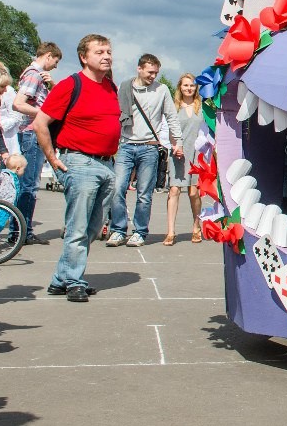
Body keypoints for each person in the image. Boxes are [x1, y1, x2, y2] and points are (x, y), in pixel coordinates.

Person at [32, 34, 120, 303]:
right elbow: (40, 123)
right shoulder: (71, 85)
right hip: (79, 161)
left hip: (106, 163)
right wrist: (51, 157)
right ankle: (73, 280)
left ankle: (60, 279)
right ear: (84, 56)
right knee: (78, 227)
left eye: (108, 51)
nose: (106, 56)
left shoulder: (110, 87)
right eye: (99, 52)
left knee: (94, 228)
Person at [107, 54, 181, 248]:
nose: (153, 76)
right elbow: (113, 114)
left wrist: (177, 141)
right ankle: (118, 229)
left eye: (156, 73)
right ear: (139, 69)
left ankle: (140, 231)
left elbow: (171, 117)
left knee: (144, 194)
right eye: (150, 72)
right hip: (126, 144)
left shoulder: (162, 89)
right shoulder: (125, 87)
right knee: (117, 188)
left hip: (149, 146)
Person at [10, 42, 63, 245]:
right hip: (32, 132)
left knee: (29, 184)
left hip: (33, 132)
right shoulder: (34, 74)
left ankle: (22, 229)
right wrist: (43, 114)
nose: (55, 66)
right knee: (29, 185)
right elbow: (18, 103)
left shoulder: (36, 75)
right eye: (55, 62)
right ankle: (22, 231)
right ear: (48, 56)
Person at [165, 73, 206, 244]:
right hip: (178, 152)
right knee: (174, 190)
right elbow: (166, 129)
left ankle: (196, 227)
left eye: (192, 85)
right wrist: (174, 146)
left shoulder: (202, 107)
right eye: (185, 85)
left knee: (193, 192)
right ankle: (170, 232)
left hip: (197, 153)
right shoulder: (173, 107)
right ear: (180, 88)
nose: (189, 88)